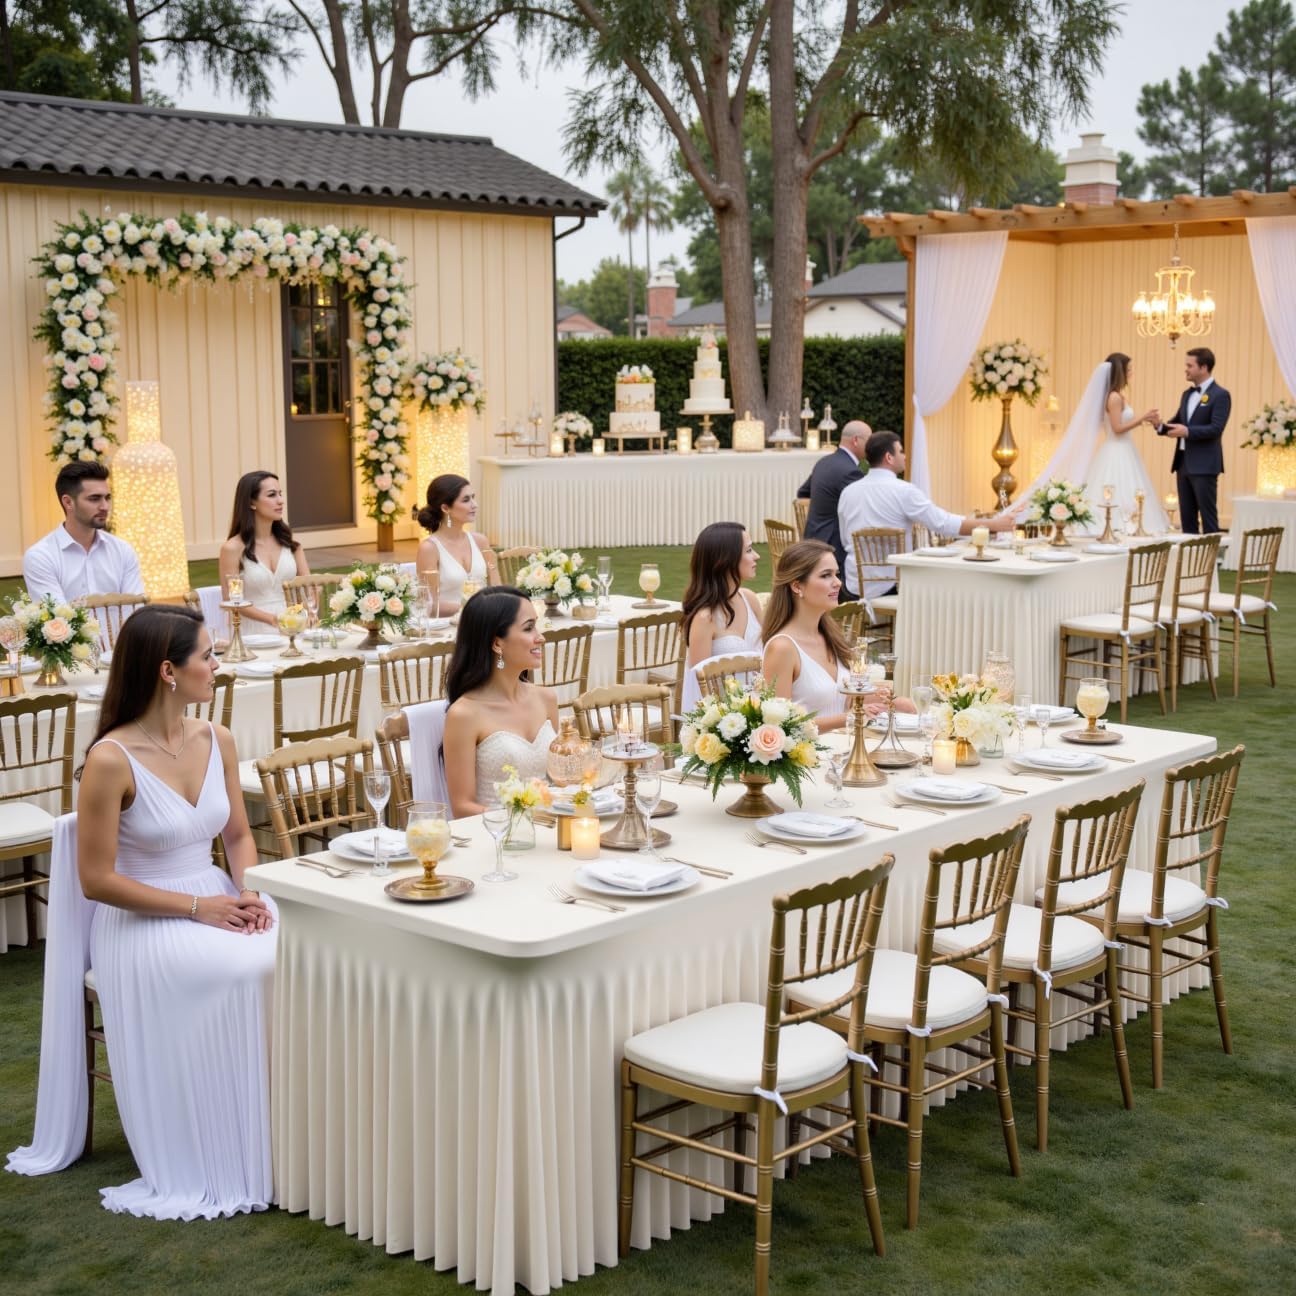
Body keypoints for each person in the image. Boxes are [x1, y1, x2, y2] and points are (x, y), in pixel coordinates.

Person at [73, 604, 276, 1218]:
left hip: (216, 895)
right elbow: (96, 880)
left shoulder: (217, 738)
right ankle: (219, 1139)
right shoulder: (110, 759)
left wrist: (249, 894)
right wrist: (196, 909)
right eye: (207, 656)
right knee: (241, 970)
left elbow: (238, 836)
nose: (217, 665)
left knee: (291, 952)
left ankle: (276, 1129)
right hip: (143, 917)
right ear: (168, 670)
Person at [837, 431, 1013, 600]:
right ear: (889, 457)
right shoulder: (904, 491)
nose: (905, 456)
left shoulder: (848, 492)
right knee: (948, 586)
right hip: (893, 586)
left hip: (853, 585)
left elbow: (846, 540)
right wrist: (994, 525)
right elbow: (943, 524)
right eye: (901, 451)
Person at [761, 541, 911, 733]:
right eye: (826, 575)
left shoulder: (829, 636)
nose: (838, 582)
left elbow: (839, 700)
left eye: (836, 574)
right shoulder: (782, 648)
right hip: (813, 749)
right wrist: (849, 718)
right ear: (797, 586)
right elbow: (780, 727)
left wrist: (883, 699)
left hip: (844, 743)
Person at [442, 586, 558, 817]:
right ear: (497, 643)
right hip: (496, 833)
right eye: (528, 628)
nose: (540, 637)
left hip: (550, 828)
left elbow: (558, 780)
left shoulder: (546, 699)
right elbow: (462, 808)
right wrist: (522, 818)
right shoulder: (464, 715)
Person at [22, 461, 143, 604]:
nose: (105, 506)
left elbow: (135, 608)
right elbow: (56, 615)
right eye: (94, 499)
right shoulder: (41, 556)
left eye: (107, 498)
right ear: (68, 502)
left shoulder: (123, 550)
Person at [680, 522, 763, 709]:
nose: (756, 556)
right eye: (749, 550)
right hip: (723, 717)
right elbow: (698, 689)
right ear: (725, 559)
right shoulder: (705, 618)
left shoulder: (750, 599)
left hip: (761, 709)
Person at [1086, 352, 1169, 533]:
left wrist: (1146, 420)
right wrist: (1142, 418)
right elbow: (1117, 428)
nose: (1131, 373)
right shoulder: (1114, 397)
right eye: (1128, 369)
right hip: (1116, 449)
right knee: (1119, 486)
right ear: (1120, 372)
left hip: (1125, 448)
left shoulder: (1118, 396)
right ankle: (1117, 526)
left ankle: (1129, 523)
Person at [218, 471, 310, 626]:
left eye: (280, 494)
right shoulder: (232, 549)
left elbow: (309, 589)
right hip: (253, 630)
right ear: (251, 502)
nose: (280, 501)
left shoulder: (292, 546)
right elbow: (231, 600)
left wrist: (305, 613)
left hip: (293, 626)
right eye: (272, 495)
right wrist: (272, 619)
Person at [1157, 347, 1230, 534]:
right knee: (1187, 521)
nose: (1186, 369)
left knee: (1208, 520)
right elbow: (1177, 422)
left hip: (1204, 466)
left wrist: (1188, 431)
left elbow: (1216, 428)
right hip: (1183, 464)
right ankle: (1189, 553)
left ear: (1203, 367)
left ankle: (1212, 554)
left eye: (1190, 366)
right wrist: (1159, 426)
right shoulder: (1187, 394)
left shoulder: (1220, 395)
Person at [796, 419, 869, 593]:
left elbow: (802, 493)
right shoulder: (850, 471)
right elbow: (866, 506)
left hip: (812, 537)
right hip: (833, 547)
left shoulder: (824, 462)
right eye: (869, 439)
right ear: (856, 440)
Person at [416, 475, 499, 614]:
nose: (474, 505)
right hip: (447, 623)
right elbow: (428, 604)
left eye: (473, 497)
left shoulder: (481, 541)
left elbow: (497, 588)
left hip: (484, 620)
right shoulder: (429, 549)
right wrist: (472, 610)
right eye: (466, 500)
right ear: (445, 508)